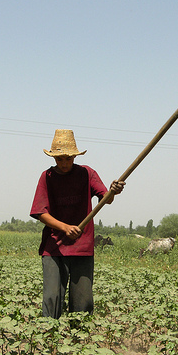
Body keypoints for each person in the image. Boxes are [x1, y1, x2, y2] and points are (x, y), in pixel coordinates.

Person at [30, 129, 125, 319]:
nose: (64, 164)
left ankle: (78, 342)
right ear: (54, 158)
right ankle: (51, 338)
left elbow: (106, 199)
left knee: (82, 302)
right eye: (60, 159)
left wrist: (113, 191)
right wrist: (65, 227)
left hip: (82, 247)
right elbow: (40, 213)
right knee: (52, 297)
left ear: (74, 156)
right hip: (54, 247)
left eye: (68, 159)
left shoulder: (86, 173)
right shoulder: (46, 177)